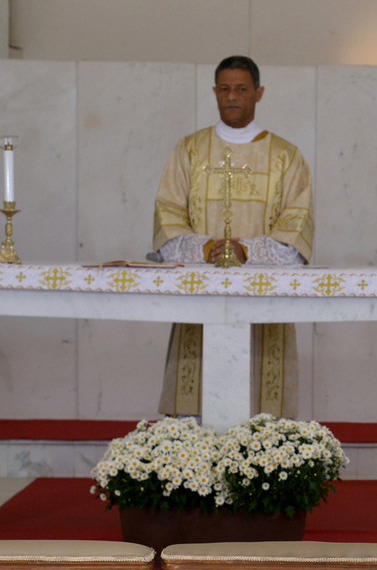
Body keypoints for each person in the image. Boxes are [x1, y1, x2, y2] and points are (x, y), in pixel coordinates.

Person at [153, 55, 313, 418]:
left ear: (258, 93)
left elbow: (296, 228)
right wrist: (207, 247)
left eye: (241, 88)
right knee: (196, 402)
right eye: (224, 88)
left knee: (262, 403)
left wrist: (246, 250)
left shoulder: (286, 157)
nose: (232, 96)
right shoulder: (189, 150)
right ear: (214, 92)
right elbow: (168, 219)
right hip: (200, 289)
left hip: (263, 293)